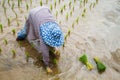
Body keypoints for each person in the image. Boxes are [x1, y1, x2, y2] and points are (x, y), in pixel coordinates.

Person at [16, 6, 64, 73]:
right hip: (33, 14)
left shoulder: (56, 26)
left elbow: (54, 36)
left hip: (45, 9)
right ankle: (19, 37)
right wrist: (47, 66)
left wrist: (56, 48)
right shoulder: (42, 33)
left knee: (45, 40)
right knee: (26, 29)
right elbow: (44, 51)